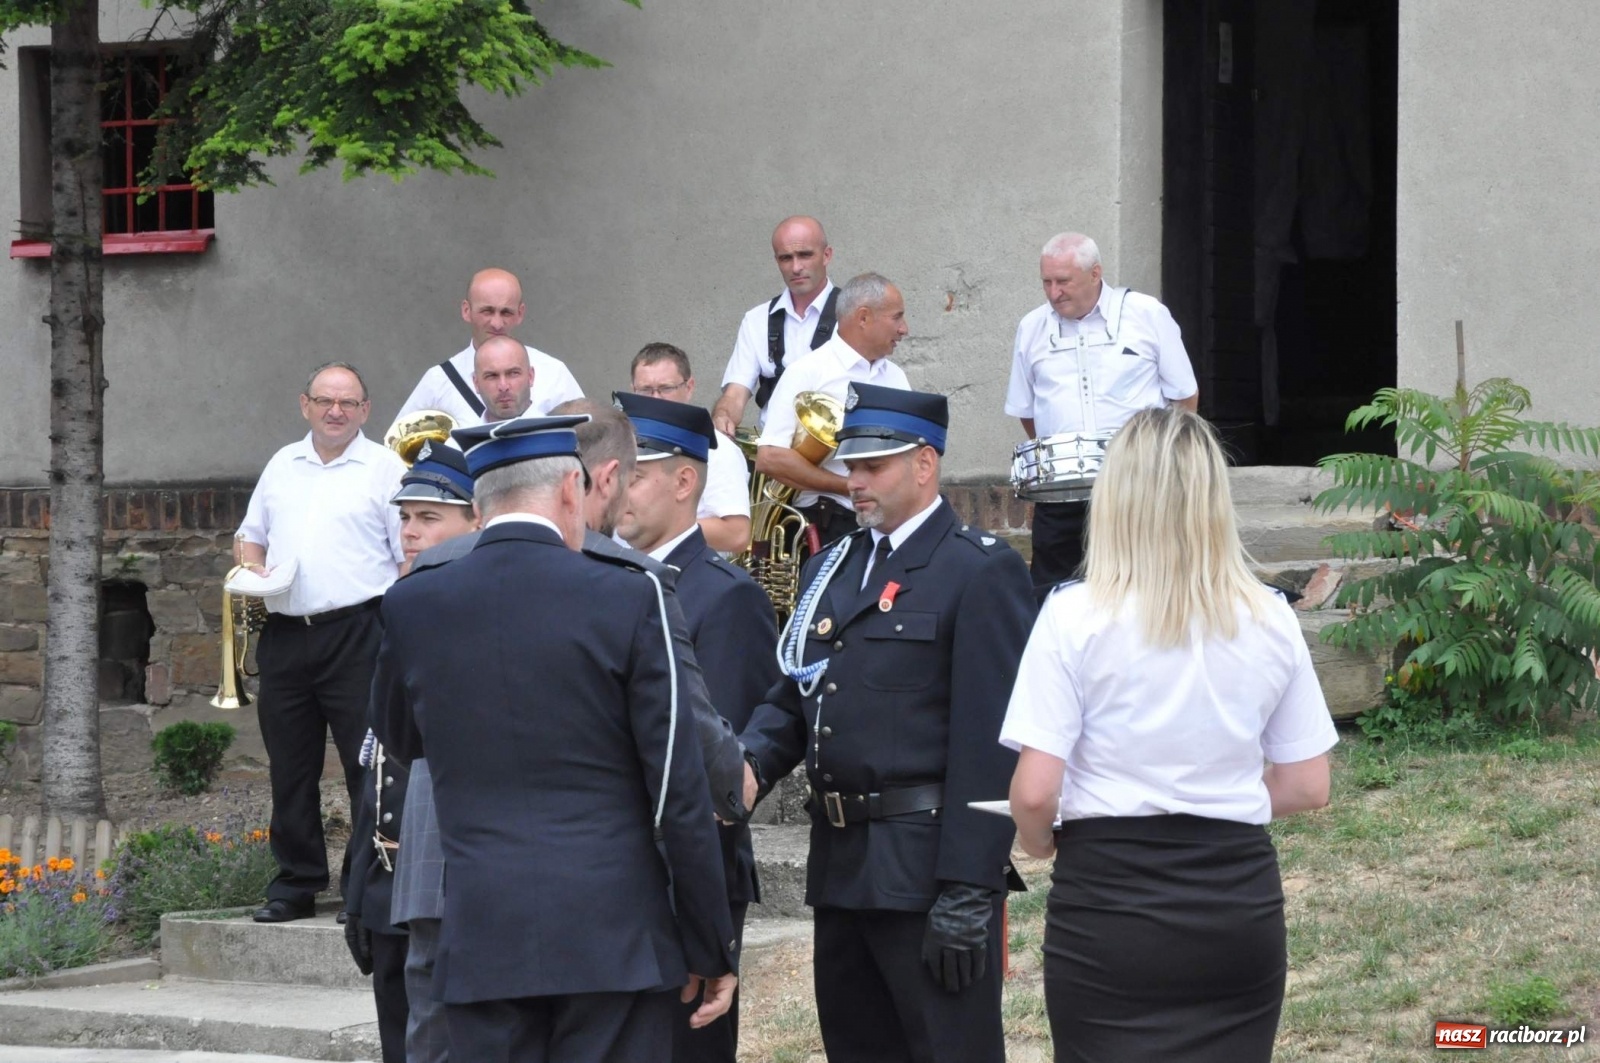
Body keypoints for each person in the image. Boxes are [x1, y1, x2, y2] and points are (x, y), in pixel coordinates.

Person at [374, 415, 738, 1063]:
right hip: (614, 937)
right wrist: (709, 941)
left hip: (484, 931)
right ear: (573, 489)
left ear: (480, 503)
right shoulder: (630, 595)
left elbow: (402, 736)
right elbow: (678, 793)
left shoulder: (413, 601)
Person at [1003, 406, 1336, 1063]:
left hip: (1110, 906)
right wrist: (1220, 793)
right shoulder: (1270, 617)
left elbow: (1036, 791)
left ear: (1116, 498)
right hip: (1235, 905)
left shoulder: (1072, 616)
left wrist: (1038, 842)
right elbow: (1307, 782)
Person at [740, 383, 1036, 1063]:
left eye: (874, 465)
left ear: (924, 463)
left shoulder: (977, 570)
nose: (855, 480)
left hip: (925, 872)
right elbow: (795, 692)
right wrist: (750, 762)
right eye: (851, 465)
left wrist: (971, 884)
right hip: (842, 866)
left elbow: (991, 739)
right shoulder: (831, 567)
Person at [613, 390, 780, 1063]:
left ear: (685, 481)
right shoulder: (613, 580)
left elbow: (722, 774)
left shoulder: (724, 595)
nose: (615, 487)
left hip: (690, 880)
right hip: (617, 872)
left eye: (634, 473)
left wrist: (701, 916)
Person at [236, 362, 406, 923]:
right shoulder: (282, 464)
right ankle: (296, 883)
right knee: (290, 767)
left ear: (366, 410)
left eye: (349, 403)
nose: (337, 411)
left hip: (359, 633)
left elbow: (407, 557)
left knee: (366, 766)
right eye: (326, 401)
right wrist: (251, 572)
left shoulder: (385, 469)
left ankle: (361, 886)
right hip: (285, 635)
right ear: (304, 403)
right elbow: (250, 536)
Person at [343, 444, 479, 1062]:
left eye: (430, 518)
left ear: (476, 520)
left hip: (451, 875)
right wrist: (359, 888)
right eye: (406, 518)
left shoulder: (470, 610)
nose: (411, 533)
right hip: (391, 877)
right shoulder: (401, 606)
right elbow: (376, 764)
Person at [1005, 232, 1200, 589]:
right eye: (1046, 282)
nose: (1053, 292)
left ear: (1096, 273)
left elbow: (1184, 398)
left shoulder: (1146, 314)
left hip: (1139, 483)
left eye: (1063, 281)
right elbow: (1027, 410)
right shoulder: (1031, 326)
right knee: (1053, 591)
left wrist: (1170, 462)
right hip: (1061, 491)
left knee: (1147, 584)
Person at [755, 272, 911, 548]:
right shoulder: (807, 371)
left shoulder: (896, 377)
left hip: (888, 526)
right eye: (896, 317)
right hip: (830, 524)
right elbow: (771, 458)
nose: (904, 329)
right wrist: (849, 487)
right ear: (863, 317)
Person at [396, 268, 583, 427]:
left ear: (520, 313)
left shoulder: (554, 373)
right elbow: (399, 449)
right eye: (487, 311)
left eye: (506, 312)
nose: (497, 323)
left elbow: (586, 439)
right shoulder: (438, 380)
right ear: (466, 311)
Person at [712, 215, 840, 437]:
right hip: (774, 454)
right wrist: (722, 415)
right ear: (776, 261)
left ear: (826, 255)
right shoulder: (756, 320)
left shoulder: (856, 317)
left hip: (838, 456)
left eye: (805, 255)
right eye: (785, 258)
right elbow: (735, 394)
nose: (796, 267)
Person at [630, 343, 752, 554]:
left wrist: (655, 525)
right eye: (645, 390)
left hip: (686, 578)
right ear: (633, 390)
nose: (655, 398)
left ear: (689, 387)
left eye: (666, 388)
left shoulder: (717, 449)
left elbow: (737, 534)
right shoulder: (620, 443)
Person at [472, 335, 536, 424]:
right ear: (476, 383)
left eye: (513, 373)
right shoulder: (462, 438)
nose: (503, 386)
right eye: (492, 376)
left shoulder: (559, 434)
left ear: (530, 376)